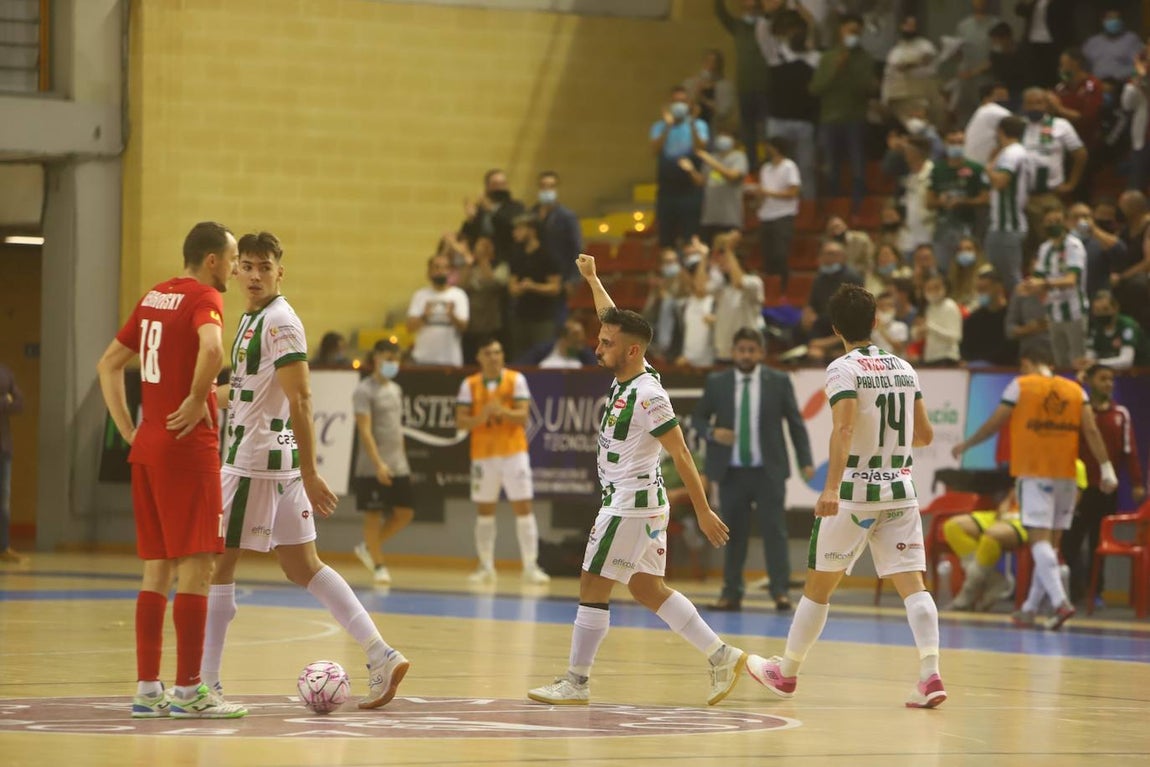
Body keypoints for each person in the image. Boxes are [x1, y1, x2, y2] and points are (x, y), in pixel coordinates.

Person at [199, 232, 408, 711]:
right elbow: (252, 392)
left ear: (279, 271)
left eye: (263, 266)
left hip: (255, 466)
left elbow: (302, 399)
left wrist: (312, 472)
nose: (254, 274)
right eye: (246, 265)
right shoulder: (253, 318)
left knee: (217, 566)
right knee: (302, 566)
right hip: (274, 464)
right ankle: (381, 653)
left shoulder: (279, 322)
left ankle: (206, 685)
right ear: (237, 270)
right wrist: (206, 396)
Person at [527, 253, 746, 707]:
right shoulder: (628, 371)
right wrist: (592, 278)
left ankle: (576, 681)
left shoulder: (649, 395)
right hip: (639, 501)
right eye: (599, 339)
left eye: (606, 343)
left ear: (631, 351)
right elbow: (610, 315)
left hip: (630, 502)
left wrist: (704, 510)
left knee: (591, 582)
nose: (597, 347)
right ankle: (721, 655)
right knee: (648, 588)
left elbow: (682, 453)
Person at [746, 284, 946, 709]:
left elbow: (843, 429)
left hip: (855, 492)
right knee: (913, 586)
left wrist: (831, 487)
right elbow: (925, 435)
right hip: (900, 490)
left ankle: (787, 673)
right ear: (875, 322)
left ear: (835, 327)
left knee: (819, 588)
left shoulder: (842, 369)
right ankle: (930, 675)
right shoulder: (905, 369)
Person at [95, 221, 246, 719]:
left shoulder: (154, 296)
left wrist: (128, 429)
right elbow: (212, 348)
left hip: (149, 448)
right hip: (187, 449)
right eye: (232, 258)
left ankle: (146, 690)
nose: (235, 267)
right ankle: (188, 692)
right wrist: (195, 395)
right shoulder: (205, 296)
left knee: (155, 570)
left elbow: (108, 364)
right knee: (196, 569)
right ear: (211, 261)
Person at [952, 349, 1117, 630]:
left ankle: (1060, 602)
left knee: (1039, 541)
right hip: (1067, 473)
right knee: (1050, 546)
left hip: (1034, 472)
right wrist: (1107, 468)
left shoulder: (1021, 385)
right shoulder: (1076, 389)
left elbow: (996, 422)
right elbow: (1090, 431)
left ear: (1027, 363)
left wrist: (967, 445)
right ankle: (1029, 607)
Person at [695, 327, 813, 612]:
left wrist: (805, 460)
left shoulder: (778, 381)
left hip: (768, 471)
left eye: (752, 350)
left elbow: (795, 423)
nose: (746, 355)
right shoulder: (717, 382)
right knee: (732, 533)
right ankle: (731, 593)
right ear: (734, 352)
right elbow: (698, 418)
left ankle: (780, 592)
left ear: (761, 353)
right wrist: (712, 432)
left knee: (775, 531)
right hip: (731, 472)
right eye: (741, 349)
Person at [455, 338, 549, 585]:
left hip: (513, 452)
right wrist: (482, 415)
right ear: (479, 357)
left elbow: (522, 417)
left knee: (524, 508)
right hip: (483, 455)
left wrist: (502, 412)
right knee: (485, 511)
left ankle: (530, 566)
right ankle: (486, 566)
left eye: (498, 352)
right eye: (488, 353)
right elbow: (461, 422)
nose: (494, 357)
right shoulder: (469, 384)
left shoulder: (515, 379)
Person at [1061, 364, 1145, 603]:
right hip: (1077, 489)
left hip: (1106, 489)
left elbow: (1131, 452)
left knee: (1099, 541)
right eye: (1102, 379)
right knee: (1070, 541)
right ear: (1090, 381)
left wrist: (1137, 483)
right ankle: (1074, 589)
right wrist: (1078, 384)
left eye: (1111, 379)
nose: (1108, 383)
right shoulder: (1077, 412)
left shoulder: (1121, 415)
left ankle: (1095, 591)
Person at [352, 339, 415, 585]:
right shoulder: (364, 391)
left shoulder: (396, 389)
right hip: (372, 465)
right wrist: (378, 464)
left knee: (405, 512)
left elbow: (396, 430)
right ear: (376, 358)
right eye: (388, 358)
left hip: (398, 462)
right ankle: (379, 565)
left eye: (395, 359)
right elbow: (365, 431)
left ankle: (368, 547)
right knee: (373, 514)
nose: (392, 364)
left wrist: (402, 459)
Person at [810, 14, 875, 213]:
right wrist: (836, 69)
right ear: (841, 31)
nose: (852, 35)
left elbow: (868, 89)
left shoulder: (866, 58)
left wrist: (852, 71)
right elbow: (815, 88)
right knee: (830, 164)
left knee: (857, 164)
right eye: (849, 31)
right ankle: (833, 204)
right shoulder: (828, 57)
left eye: (856, 32)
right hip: (829, 118)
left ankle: (858, 206)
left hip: (855, 117)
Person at [942, 488, 1027, 611]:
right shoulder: (1023, 475)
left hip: (1029, 521)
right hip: (1004, 516)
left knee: (991, 536)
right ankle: (995, 580)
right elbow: (1010, 498)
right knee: (953, 526)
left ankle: (967, 595)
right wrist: (1003, 513)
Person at [1027, 205, 1088, 369]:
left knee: (1078, 361)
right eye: (1049, 222)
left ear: (1066, 223)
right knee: (1060, 362)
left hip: (1074, 312)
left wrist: (1044, 284)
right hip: (1053, 312)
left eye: (1057, 221)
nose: (1052, 225)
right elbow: (1038, 278)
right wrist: (1028, 286)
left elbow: (1071, 280)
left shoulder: (1074, 246)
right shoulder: (1044, 248)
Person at [714, 0, 770, 169]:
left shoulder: (766, 26)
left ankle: (768, 162)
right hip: (745, 85)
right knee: (748, 129)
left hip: (765, 84)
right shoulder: (737, 26)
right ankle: (751, 164)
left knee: (766, 128)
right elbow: (721, 14)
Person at [651, 86, 709, 248]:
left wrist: (692, 123)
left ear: (689, 104)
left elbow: (701, 149)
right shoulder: (659, 126)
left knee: (689, 237)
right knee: (666, 237)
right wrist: (668, 126)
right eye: (675, 102)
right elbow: (655, 150)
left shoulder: (699, 125)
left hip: (690, 189)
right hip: (667, 189)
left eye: (683, 102)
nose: (679, 105)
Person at [928, 130, 989, 271]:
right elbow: (929, 201)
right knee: (943, 268)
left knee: (970, 268)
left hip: (970, 227)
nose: (956, 146)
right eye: (952, 142)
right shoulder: (937, 169)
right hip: (943, 228)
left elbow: (985, 198)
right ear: (945, 143)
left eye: (960, 142)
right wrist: (941, 202)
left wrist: (963, 201)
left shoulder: (976, 169)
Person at [985, 115, 1030, 293]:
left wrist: (989, 168)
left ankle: (1018, 314)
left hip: (1008, 225)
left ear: (1000, 131)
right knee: (999, 277)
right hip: (1002, 225)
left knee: (1010, 278)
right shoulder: (1013, 152)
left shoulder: (1012, 153)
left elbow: (1001, 181)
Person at [507, 213, 562, 359]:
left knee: (542, 355)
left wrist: (533, 286)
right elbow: (512, 287)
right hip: (520, 316)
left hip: (542, 317)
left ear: (531, 230)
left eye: (519, 229)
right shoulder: (517, 255)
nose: (515, 233)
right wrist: (519, 288)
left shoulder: (547, 255)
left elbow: (555, 287)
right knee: (520, 357)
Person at [756, 135, 801, 293]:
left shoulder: (789, 166)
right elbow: (762, 192)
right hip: (766, 215)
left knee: (780, 254)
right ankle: (770, 291)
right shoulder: (765, 168)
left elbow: (793, 191)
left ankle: (784, 290)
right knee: (767, 257)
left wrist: (768, 192)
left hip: (783, 214)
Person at [710, 235, 765, 364]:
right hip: (723, 352)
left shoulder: (754, 283)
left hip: (747, 352)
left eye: (726, 261)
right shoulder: (722, 287)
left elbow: (740, 283)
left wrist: (729, 250)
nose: (721, 265)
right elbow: (700, 287)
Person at [408, 254, 470, 366]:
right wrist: (424, 316)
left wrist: (452, 315)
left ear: (449, 271)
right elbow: (410, 328)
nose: (441, 271)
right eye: (436, 267)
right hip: (423, 359)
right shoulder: (420, 295)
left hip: (450, 359)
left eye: (445, 268)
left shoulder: (459, 295)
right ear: (429, 271)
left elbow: (464, 327)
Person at [460, 168, 526, 265]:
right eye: (495, 184)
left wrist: (492, 210)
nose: (500, 188)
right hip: (480, 258)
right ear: (487, 187)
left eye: (503, 184)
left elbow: (511, 226)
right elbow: (468, 236)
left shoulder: (516, 206)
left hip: (505, 258)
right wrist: (470, 220)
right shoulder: (480, 208)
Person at [697, 134, 750, 246]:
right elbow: (702, 181)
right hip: (710, 216)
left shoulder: (739, 157)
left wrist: (710, 161)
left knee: (726, 253)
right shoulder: (711, 157)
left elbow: (732, 175)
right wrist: (690, 170)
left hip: (729, 216)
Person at [533, 171, 583, 289]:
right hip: (536, 274)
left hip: (560, 275)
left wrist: (573, 278)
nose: (547, 190)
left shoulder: (567, 216)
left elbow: (576, 246)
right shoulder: (532, 215)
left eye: (551, 186)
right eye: (543, 186)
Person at [954, 0, 1002, 123]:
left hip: (986, 78)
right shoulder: (963, 26)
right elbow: (958, 52)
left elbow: (997, 55)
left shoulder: (995, 24)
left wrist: (976, 71)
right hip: (966, 78)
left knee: (986, 113)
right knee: (966, 115)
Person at [962, 268, 1018, 366]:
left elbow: (1011, 346)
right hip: (976, 366)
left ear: (999, 288)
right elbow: (965, 348)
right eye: (978, 290)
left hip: (1005, 367)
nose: (981, 293)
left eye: (984, 289)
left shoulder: (1012, 315)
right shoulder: (974, 318)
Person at [1081, 290, 1150, 369]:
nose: (1101, 314)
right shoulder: (1096, 328)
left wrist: (1097, 363)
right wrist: (1085, 362)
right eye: (1097, 310)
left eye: (1105, 309)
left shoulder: (1127, 325)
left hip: (1141, 372)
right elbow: (1090, 356)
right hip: (1110, 371)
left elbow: (1127, 361)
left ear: (1115, 308)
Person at [1015, 0, 1075, 89]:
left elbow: (1065, 14)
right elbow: (1020, 11)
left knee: (1054, 75)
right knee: (1034, 75)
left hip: (1053, 42)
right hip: (1032, 41)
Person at [0, 362, 26, 564]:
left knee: (3, 501)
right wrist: (4, 401)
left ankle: (3, 547)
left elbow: (19, 403)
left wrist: (5, 403)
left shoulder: (6, 373)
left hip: (3, 448)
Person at [1083, 6, 1144, 82]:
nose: (1114, 21)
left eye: (1117, 18)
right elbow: (1084, 67)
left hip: (1123, 84)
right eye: (1110, 18)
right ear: (1103, 20)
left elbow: (1140, 66)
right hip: (1097, 85)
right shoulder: (1092, 42)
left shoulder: (1131, 40)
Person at [914, 272, 963, 366]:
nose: (933, 292)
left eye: (936, 287)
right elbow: (919, 336)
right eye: (929, 288)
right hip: (930, 358)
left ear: (944, 288)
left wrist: (930, 328)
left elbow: (956, 336)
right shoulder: (928, 308)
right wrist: (919, 332)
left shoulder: (950, 306)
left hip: (947, 357)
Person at [684, 48, 736, 133]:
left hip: (716, 129)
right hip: (692, 130)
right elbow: (684, 109)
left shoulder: (725, 87)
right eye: (708, 62)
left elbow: (723, 112)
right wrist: (697, 92)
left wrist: (705, 100)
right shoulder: (690, 83)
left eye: (715, 63)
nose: (711, 66)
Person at [964, 82, 1012, 166]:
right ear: (986, 98)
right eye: (1000, 96)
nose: (1004, 100)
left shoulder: (981, 111)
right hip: (982, 166)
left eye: (1006, 97)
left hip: (973, 163)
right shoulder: (993, 110)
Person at [517, 319, 597, 369]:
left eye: (581, 341)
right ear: (563, 339)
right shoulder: (541, 352)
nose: (579, 345)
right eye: (575, 337)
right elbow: (521, 368)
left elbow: (597, 372)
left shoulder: (583, 355)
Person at [826, 215, 875, 279]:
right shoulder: (831, 247)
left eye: (837, 226)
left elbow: (871, 261)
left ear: (845, 226)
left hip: (864, 277)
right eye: (832, 229)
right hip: (842, 281)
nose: (836, 231)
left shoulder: (862, 239)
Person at [874, 290, 910, 358]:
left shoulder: (901, 326)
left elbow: (899, 349)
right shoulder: (872, 329)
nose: (885, 308)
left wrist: (882, 330)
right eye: (881, 306)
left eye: (889, 305)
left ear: (894, 308)